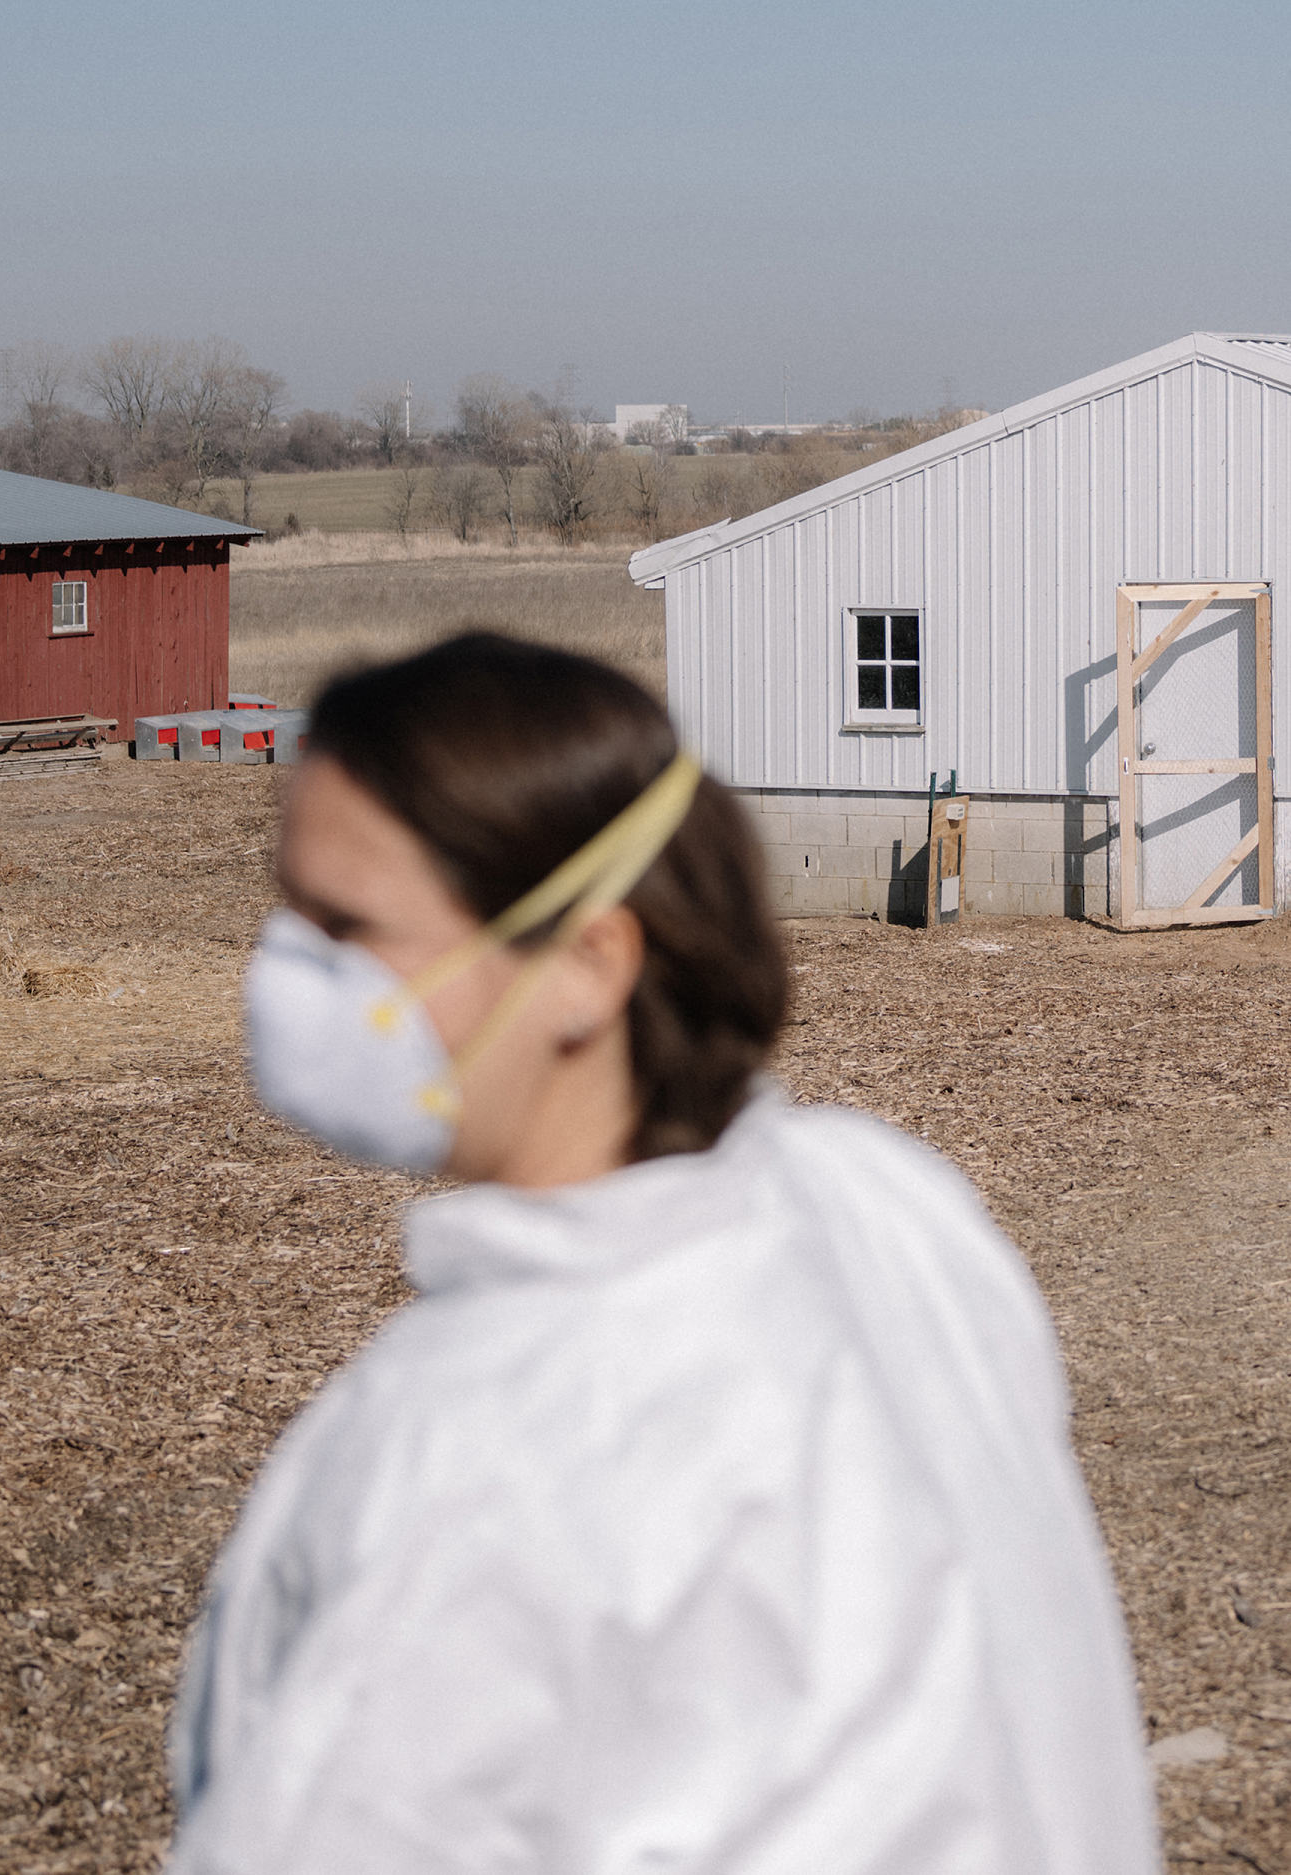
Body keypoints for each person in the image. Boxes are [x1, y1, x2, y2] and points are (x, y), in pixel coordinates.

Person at [168, 632, 1158, 1873]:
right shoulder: (883, 1201)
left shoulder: (475, 1442)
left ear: (587, 964)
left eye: (345, 926)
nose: (285, 975)